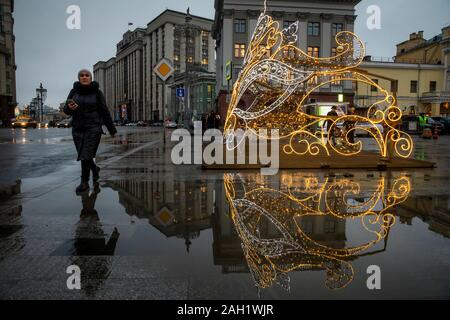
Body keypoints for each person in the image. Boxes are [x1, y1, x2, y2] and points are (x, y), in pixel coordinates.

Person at [64, 69, 117, 193]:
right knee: (84, 155)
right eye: (81, 75)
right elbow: (66, 110)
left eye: (87, 75)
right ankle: (95, 169)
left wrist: (112, 130)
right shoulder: (73, 91)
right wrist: (69, 108)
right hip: (77, 128)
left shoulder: (97, 92)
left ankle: (84, 182)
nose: (84, 77)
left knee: (86, 154)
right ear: (79, 78)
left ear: (91, 78)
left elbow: (104, 111)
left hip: (93, 128)